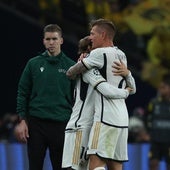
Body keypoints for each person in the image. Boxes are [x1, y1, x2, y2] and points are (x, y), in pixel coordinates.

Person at [66, 18, 136, 170]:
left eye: (92, 34)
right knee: (115, 165)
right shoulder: (121, 54)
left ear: (103, 35)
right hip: (123, 118)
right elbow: (133, 88)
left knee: (95, 165)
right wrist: (128, 74)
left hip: (104, 118)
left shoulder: (98, 54)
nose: (90, 37)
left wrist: (80, 64)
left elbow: (70, 73)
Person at [14, 24, 76, 170]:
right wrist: (23, 120)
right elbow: (22, 92)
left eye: (54, 39)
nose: (51, 42)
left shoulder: (71, 66)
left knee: (62, 168)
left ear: (61, 40)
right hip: (37, 124)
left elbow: (77, 98)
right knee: (34, 167)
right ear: (43, 41)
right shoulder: (33, 64)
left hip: (62, 124)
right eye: (48, 39)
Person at [146, 73, 170, 170]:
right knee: (153, 163)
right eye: (159, 88)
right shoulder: (153, 103)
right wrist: (146, 133)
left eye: (163, 87)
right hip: (155, 140)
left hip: (169, 141)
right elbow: (146, 118)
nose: (160, 90)